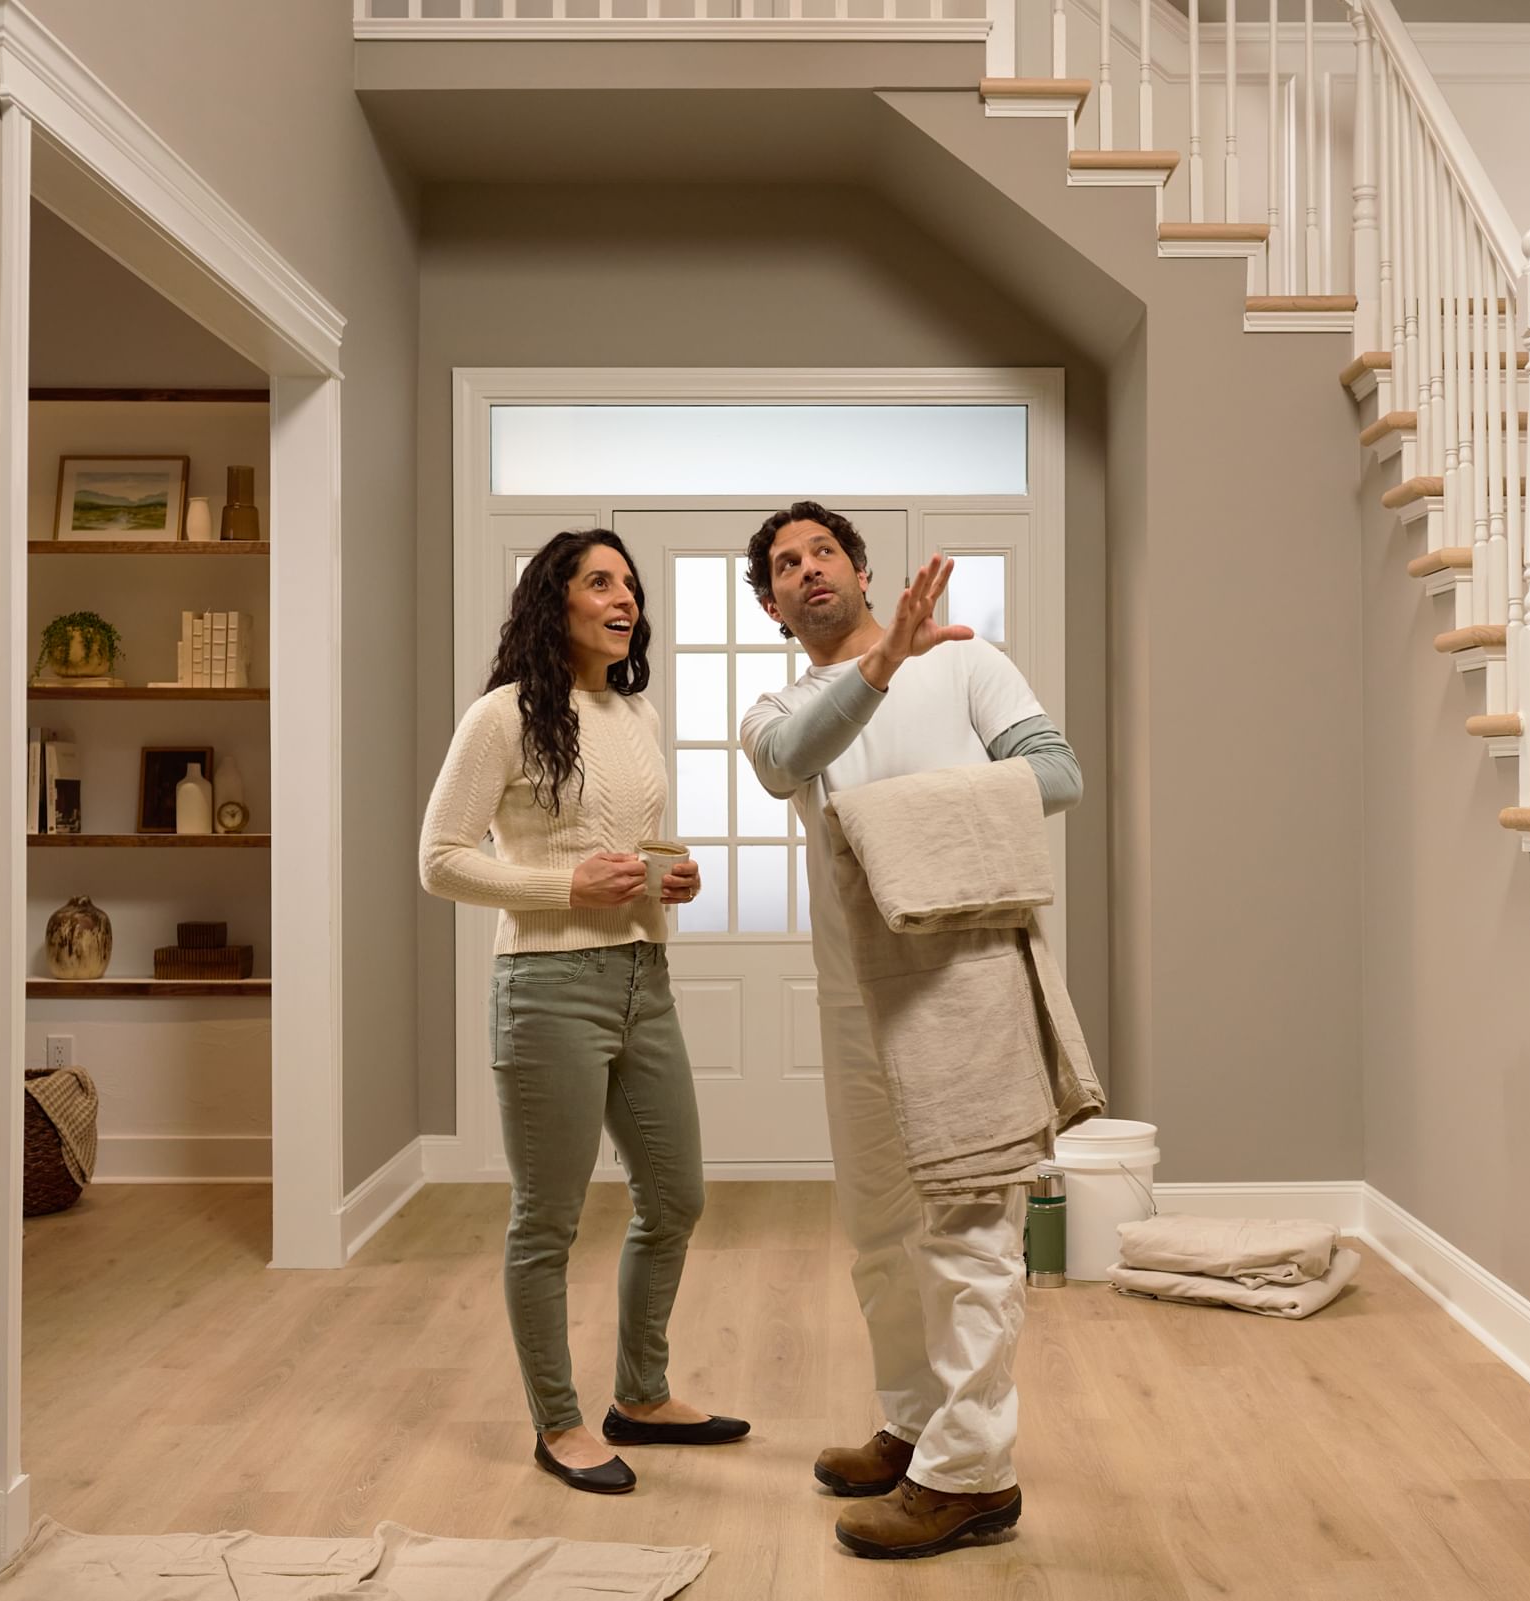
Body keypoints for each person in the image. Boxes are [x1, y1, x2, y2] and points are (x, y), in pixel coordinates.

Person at [737, 502, 1083, 1559]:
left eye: (822, 551)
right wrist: (882, 662)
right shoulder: (778, 704)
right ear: (769, 602)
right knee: (880, 1225)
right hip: (855, 990)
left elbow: (1056, 774)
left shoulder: (969, 665)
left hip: (962, 976)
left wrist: (910, 814)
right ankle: (919, 1421)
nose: (806, 570)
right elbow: (788, 759)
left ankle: (972, 1473)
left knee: (972, 1223)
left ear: (861, 567)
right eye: (785, 565)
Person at [418, 528, 750, 1495]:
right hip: (549, 990)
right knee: (547, 1221)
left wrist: (666, 878)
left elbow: (622, 848)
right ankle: (558, 1424)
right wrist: (568, 885)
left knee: (677, 1194)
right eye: (600, 581)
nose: (624, 597)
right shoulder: (501, 717)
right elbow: (440, 858)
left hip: (646, 979)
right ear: (551, 600)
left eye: (631, 585)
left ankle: (639, 1396)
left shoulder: (632, 710)